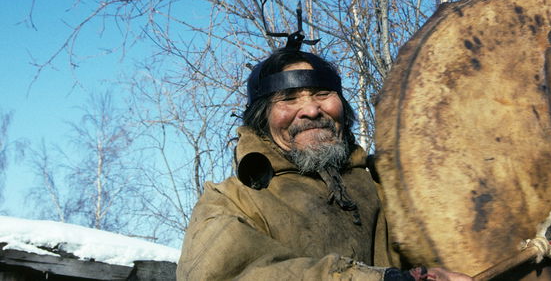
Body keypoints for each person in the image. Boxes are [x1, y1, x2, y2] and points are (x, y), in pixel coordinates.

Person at [177, 47, 472, 280]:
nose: (311, 109)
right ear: (262, 119)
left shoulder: (384, 185)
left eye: (322, 94)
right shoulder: (230, 201)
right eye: (289, 98)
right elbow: (223, 274)